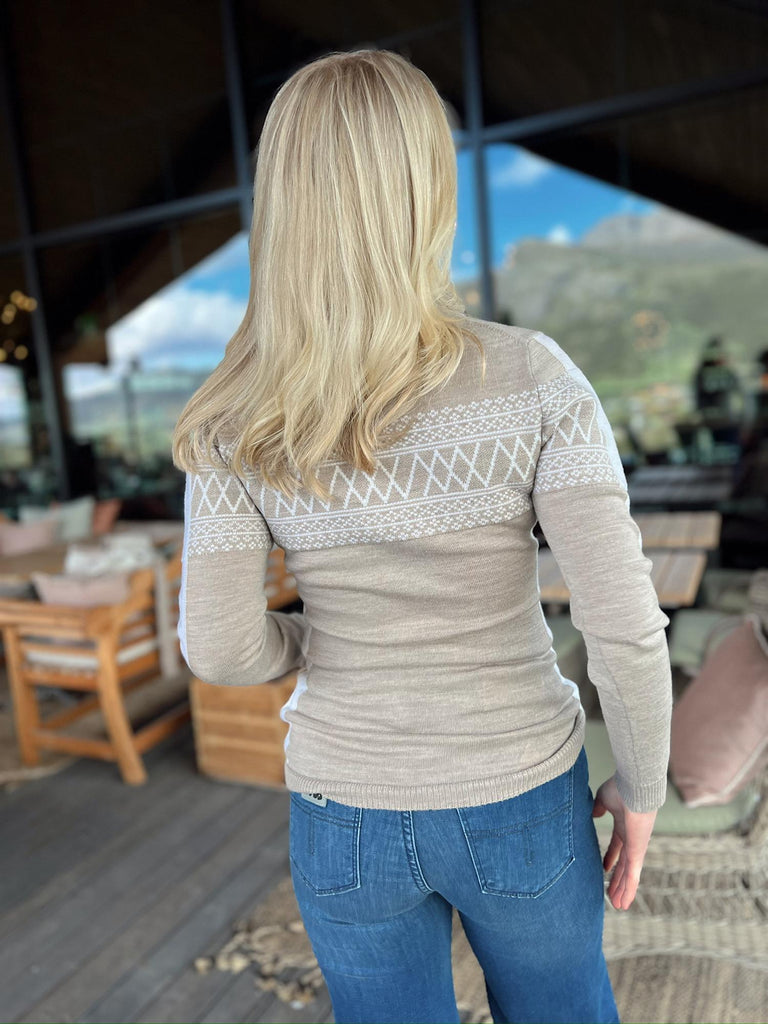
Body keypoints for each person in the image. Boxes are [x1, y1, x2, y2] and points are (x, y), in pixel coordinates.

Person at [171, 49, 672, 1024]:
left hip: (343, 809)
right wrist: (644, 786)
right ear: (426, 191)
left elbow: (219, 649)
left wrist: (316, 639)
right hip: (522, 792)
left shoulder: (234, 415)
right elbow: (622, 621)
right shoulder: (534, 377)